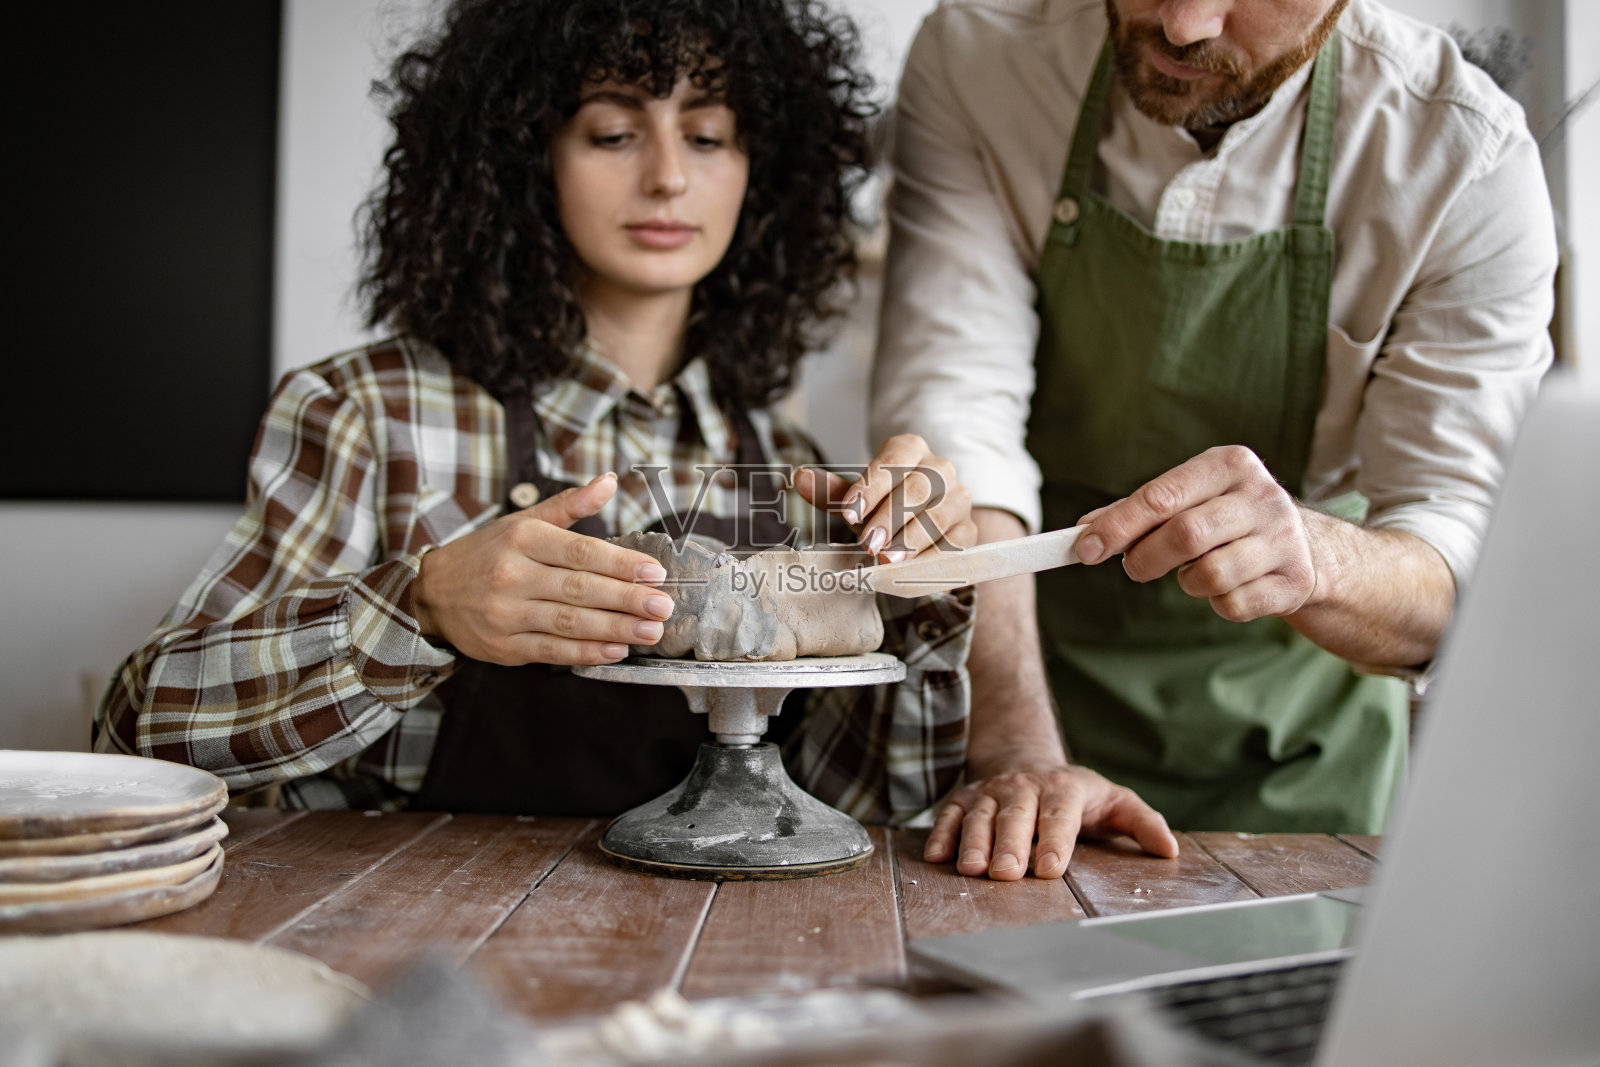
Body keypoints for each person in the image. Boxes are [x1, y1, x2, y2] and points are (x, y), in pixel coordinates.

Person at [95, 0, 981, 824]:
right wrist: (419, 607)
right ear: (523, 152)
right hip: (408, 926)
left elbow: (862, 802)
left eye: (708, 136)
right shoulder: (366, 412)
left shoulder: (786, 464)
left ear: (764, 169)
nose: (669, 177)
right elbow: (135, 732)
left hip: (697, 935)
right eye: (613, 133)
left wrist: (922, 594)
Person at [873, 0, 1557, 878]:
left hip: (1298, 771)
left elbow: (1459, 568)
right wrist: (1018, 754)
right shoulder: (982, 56)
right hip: (1017, 703)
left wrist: (1316, 558)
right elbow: (958, 433)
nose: (1185, 24)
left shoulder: (1461, 156)